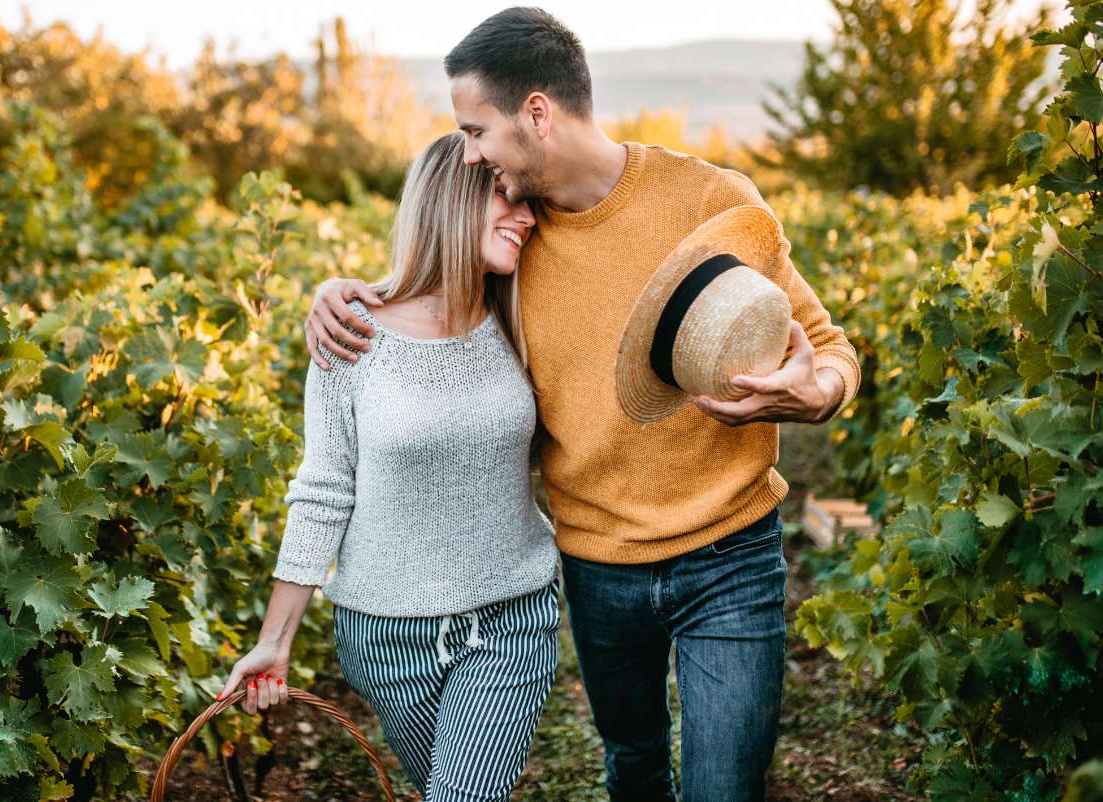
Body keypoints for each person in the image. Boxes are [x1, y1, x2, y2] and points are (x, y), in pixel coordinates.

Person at [302, 9, 861, 802]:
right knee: (633, 770)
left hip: (731, 551)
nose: (470, 153)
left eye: (477, 129)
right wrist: (335, 296)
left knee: (724, 788)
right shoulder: (512, 244)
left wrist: (821, 390)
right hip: (599, 567)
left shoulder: (712, 200)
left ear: (537, 113)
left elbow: (828, 345)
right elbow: (427, 303)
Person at [216, 132, 561, 802]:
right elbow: (323, 491)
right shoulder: (353, 331)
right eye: (506, 196)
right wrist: (274, 641)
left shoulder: (522, 314)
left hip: (511, 617)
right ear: (449, 198)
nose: (527, 215)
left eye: (530, 202)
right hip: (384, 637)